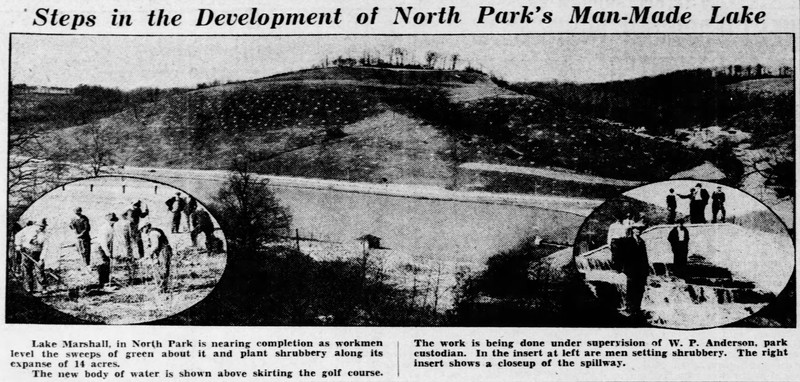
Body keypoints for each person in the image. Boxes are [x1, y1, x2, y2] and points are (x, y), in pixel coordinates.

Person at [621, 226, 650, 317]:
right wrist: (625, 269)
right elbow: (624, 256)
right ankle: (629, 308)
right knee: (631, 289)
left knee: (640, 289)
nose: (638, 231)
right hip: (631, 269)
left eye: (640, 230)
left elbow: (645, 257)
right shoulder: (628, 241)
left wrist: (646, 270)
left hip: (641, 270)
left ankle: (637, 307)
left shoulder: (642, 242)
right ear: (633, 230)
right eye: (637, 229)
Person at [14, 219, 48, 294]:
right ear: (35, 225)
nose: (41, 228)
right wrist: (18, 245)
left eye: (43, 227)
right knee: (26, 270)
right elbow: (17, 236)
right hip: (26, 252)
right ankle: (28, 288)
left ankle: (42, 288)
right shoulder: (27, 229)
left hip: (38, 254)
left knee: (40, 270)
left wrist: (41, 258)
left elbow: (45, 247)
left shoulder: (44, 234)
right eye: (40, 226)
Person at [142, 223, 173, 293]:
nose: (142, 231)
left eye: (142, 229)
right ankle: (162, 287)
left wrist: (149, 254)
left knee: (163, 269)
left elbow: (155, 246)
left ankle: (163, 287)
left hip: (163, 250)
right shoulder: (151, 233)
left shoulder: (153, 233)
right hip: (160, 251)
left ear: (146, 227)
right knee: (159, 268)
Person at [114, 210, 136, 284]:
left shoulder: (116, 224)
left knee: (121, 261)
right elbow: (131, 235)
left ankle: (123, 279)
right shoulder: (128, 223)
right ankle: (131, 278)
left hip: (119, 245)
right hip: (127, 244)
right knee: (129, 260)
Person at [97, 213, 117, 288]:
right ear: (108, 221)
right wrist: (107, 252)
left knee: (108, 263)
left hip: (107, 246)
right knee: (104, 264)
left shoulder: (112, 227)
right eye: (112, 220)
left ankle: (107, 281)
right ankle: (103, 282)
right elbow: (103, 243)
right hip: (102, 247)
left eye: (114, 220)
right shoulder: (104, 228)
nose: (114, 222)